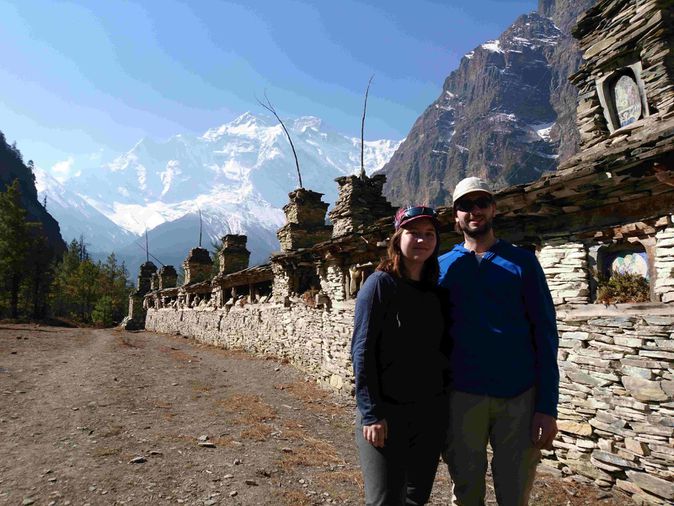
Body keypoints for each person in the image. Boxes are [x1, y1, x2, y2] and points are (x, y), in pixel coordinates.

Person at [438, 177, 559, 506]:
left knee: (514, 492)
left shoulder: (522, 263)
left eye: (481, 203)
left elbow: (545, 333)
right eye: (465, 205)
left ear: (493, 208)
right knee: (466, 492)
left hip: (519, 397)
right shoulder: (442, 267)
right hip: (461, 398)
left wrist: (546, 406)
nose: (474, 211)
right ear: (455, 215)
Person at [351, 205, 450, 506]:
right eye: (413, 233)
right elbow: (362, 351)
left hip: (428, 414)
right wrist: (372, 413)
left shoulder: (435, 292)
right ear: (397, 239)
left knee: (416, 497)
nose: (422, 240)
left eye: (429, 234)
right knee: (384, 500)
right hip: (386, 413)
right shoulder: (380, 285)